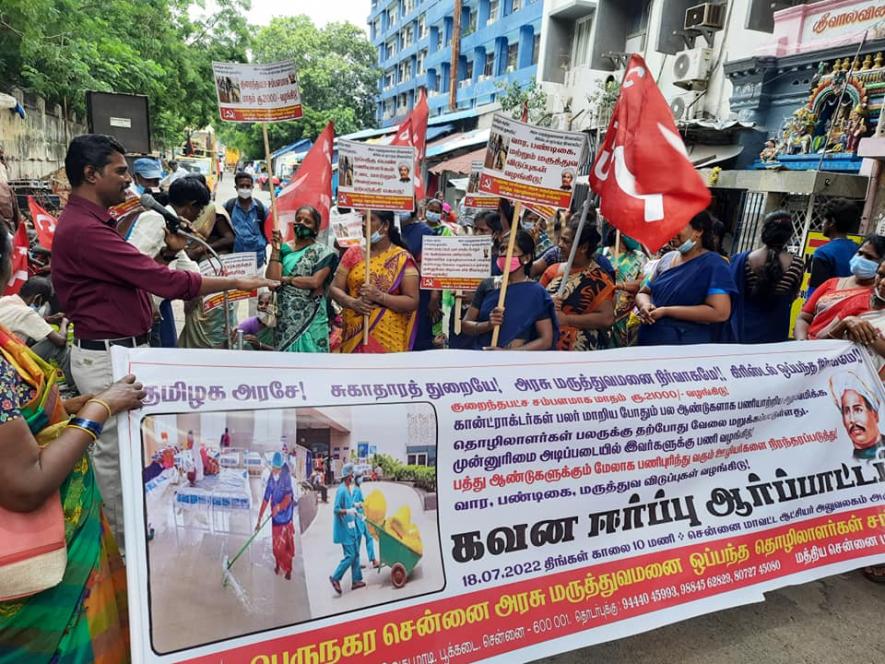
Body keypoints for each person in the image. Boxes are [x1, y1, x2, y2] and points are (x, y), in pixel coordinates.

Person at [51, 134, 277, 549]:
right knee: (116, 460)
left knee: (130, 451)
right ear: (90, 174)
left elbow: (136, 278)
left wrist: (169, 251)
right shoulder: (85, 230)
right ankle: (126, 554)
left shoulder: (99, 223)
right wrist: (235, 281)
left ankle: (135, 539)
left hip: (123, 351)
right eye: (120, 171)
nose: (128, 180)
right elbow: (164, 283)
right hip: (105, 358)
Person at [0, 223, 145, 661]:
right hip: (34, 573)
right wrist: (98, 411)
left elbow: (22, 416)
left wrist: (87, 400)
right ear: (7, 265)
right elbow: (25, 485)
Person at [128, 175, 214, 349]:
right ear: (191, 205)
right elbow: (133, 265)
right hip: (144, 307)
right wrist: (148, 302)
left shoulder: (172, 224)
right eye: (200, 209)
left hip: (156, 306)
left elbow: (187, 267)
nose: (199, 214)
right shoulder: (155, 219)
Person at [635, 211, 737, 346]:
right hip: (650, 341)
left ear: (698, 231)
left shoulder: (714, 265)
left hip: (685, 347)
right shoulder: (667, 259)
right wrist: (645, 305)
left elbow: (720, 312)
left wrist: (667, 311)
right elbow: (644, 292)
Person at [330, 210, 420, 353]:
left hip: (388, 338)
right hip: (353, 334)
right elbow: (334, 288)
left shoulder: (402, 258)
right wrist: (352, 302)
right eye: (363, 219)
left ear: (385, 226)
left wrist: (380, 296)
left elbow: (412, 301)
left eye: (370, 219)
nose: (364, 224)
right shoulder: (353, 252)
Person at [462, 230, 557, 350]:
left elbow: (545, 340)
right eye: (502, 249)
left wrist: (508, 354)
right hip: (483, 358)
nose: (504, 254)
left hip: (515, 364)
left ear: (526, 258)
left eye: (512, 250)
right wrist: (488, 325)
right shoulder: (488, 285)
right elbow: (465, 325)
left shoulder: (537, 292)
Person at [724, 211, 804, 344]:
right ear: (788, 235)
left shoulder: (743, 260)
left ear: (764, 231)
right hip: (776, 330)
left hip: (743, 331)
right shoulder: (797, 264)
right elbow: (793, 295)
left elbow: (730, 293)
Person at [266, 205, 338, 352]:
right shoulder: (284, 249)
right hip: (285, 317)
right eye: (298, 219)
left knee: (312, 364)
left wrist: (286, 280)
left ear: (316, 229)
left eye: (307, 221)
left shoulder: (324, 253)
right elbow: (272, 281)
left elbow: (314, 282)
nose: (301, 223)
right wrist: (276, 250)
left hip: (312, 317)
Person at [540, 219, 615, 351]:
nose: (560, 245)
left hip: (580, 354)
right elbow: (535, 302)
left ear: (584, 247)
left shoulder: (600, 279)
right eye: (561, 239)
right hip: (547, 347)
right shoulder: (553, 271)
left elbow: (607, 318)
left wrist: (568, 320)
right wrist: (548, 302)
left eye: (566, 241)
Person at [794, 235, 885, 340]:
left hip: (844, 354)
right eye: (859, 253)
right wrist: (802, 342)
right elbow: (804, 317)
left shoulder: (878, 298)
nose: (861, 259)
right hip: (807, 347)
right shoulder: (831, 283)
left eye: (869, 257)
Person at [0, 277, 71, 382]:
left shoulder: (5, 300)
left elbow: (19, 322)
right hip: (11, 363)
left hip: (4, 358)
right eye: (43, 302)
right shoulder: (27, 313)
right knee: (54, 345)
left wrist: (46, 320)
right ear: (38, 298)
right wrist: (64, 323)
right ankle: (73, 387)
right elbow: (60, 341)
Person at [399, 207, 441, 351]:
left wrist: (435, 294)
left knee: (419, 336)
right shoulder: (390, 230)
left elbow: (434, 264)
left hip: (420, 292)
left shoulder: (426, 232)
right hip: (394, 293)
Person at [600, 229, 647, 348]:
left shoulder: (639, 256)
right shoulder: (602, 254)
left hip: (627, 318)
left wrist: (621, 285)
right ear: (620, 233)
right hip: (602, 315)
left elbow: (642, 283)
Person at [808, 198, 861, 296]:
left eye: (824, 219)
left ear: (831, 222)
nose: (822, 223)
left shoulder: (823, 253)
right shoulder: (859, 250)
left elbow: (815, 292)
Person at [256, 452, 296, 580]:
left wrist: (279, 507)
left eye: (277, 468)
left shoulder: (286, 476)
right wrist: (259, 519)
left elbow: (289, 497)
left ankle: (288, 569)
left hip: (286, 516)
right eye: (273, 468)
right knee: (277, 546)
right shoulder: (271, 478)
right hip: (276, 519)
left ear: (281, 467)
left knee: (287, 546)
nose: (275, 471)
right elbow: (266, 499)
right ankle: (278, 564)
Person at [330, 463, 365, 594]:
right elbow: (336, 509)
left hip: (351, 528)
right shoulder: (341, 490)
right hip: (344, 529)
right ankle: (335, 577)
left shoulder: (348, 489)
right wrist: (349, 511)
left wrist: (355, 506)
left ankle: (356, 581)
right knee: (350, 556)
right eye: (351, 476)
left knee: (355, 553)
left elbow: (350, 504)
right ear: (347, 476)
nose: (353, 478)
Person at [225, 172, 269, 269]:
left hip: (257, 259)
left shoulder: (261, 209)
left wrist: (262, 244)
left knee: (255, 283)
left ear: (252, 187)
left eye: (248, 186)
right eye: (242, 186)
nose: (245, 188)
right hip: (235, 259)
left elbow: (270, 232)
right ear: (236, 187)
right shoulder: (228, 207)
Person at [352, 471, 379, 571]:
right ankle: (357, 563)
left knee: (368, 537)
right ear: (356, 479)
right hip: (359, 519)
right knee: (359, 541)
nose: (361, 479)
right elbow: (352, 503)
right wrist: (359, 504)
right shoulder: (356, 490)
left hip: (361, 518)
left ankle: (373, 560)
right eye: (360, 477)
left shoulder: (358, 489)